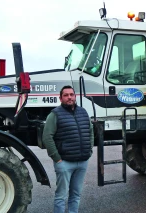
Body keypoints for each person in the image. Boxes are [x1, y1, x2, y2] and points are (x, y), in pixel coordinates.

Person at [42, 85, 94, 213]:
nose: (69, 97)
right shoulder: (54, 114)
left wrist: (89, 151)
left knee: (76, 195)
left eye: (71, 94)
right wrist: (57, 158)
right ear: (60, 98)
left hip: (82, 161)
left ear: (75, 96)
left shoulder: (83, 112)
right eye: (66, 95)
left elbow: (90, 131)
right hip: (64, 163)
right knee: (61, 196)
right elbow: (47, 137)